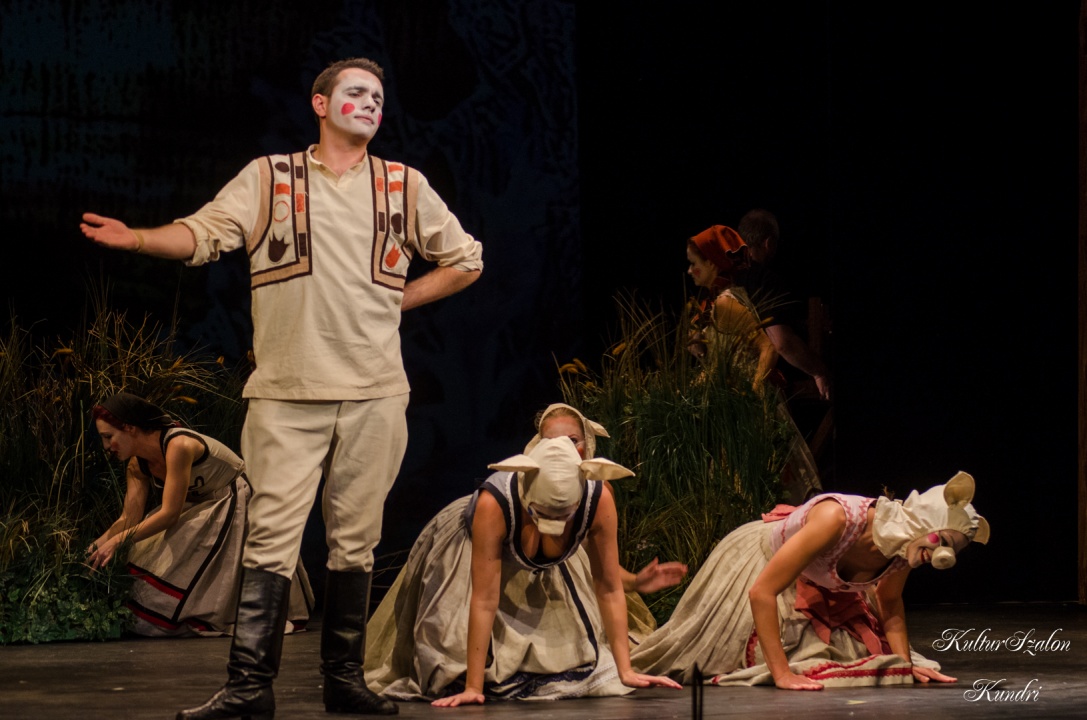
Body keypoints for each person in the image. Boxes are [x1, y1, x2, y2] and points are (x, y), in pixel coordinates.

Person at [81, 56, 483, 719]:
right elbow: (204, 233)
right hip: (285, 394)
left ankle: (343, 682)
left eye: (378, 96)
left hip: (376, 392)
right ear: (320, 104)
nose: (370, 103)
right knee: (269, 539)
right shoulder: (271, 178)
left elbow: (466, 258)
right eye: (356, 92)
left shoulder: (403, 185)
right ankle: (249, 688)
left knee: (355, 541)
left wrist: (397, 301)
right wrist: (140, 240)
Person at [363, 405, 684, 705]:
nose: (561, 448)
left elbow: (607, 584)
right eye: (550, 441)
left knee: (575, 660)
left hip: (543, 569)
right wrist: (474, 688)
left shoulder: (597, 498)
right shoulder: (495, 505)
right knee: (449, 667)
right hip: (472, 552)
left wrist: (625, 670)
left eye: (572, 440)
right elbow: (484, 598)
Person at [631, 472, 990, 689]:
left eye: (951, 550)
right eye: (942, 540)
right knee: (713, 657)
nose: (941, 554)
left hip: (820, 582)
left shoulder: (904, 550)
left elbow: (889, 601)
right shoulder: (838, 519)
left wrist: (903, 665)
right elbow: (762, 591)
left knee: (849, 661)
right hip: (762, 564)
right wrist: (782, 675)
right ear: (922, 521)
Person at [87, 393, 311, 637]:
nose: (107, 446)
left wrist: (117, 541)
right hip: (198, 507)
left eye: (109, 437)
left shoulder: (178, 445)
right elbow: (128, 519)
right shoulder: (136, 465)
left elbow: (170, 514)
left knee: (185, 550)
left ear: (129, 428)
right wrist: (93, 549)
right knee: (149, 554)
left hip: (233, 500)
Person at [684, 225, 821, 503]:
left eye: (693, 263)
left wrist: (754, 393)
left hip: (748, 404)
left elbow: (767, 346)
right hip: (735, 406)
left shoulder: (726, 303)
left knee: (764, 487)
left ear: (712, 263)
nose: (689, 271)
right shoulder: (715, 304)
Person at [736, 208, 831, 401]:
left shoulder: (718, 277)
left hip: (717, 394)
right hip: (752, 394)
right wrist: (819, 372)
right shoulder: (765, 280)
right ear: (769, 243)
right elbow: (782, 343)